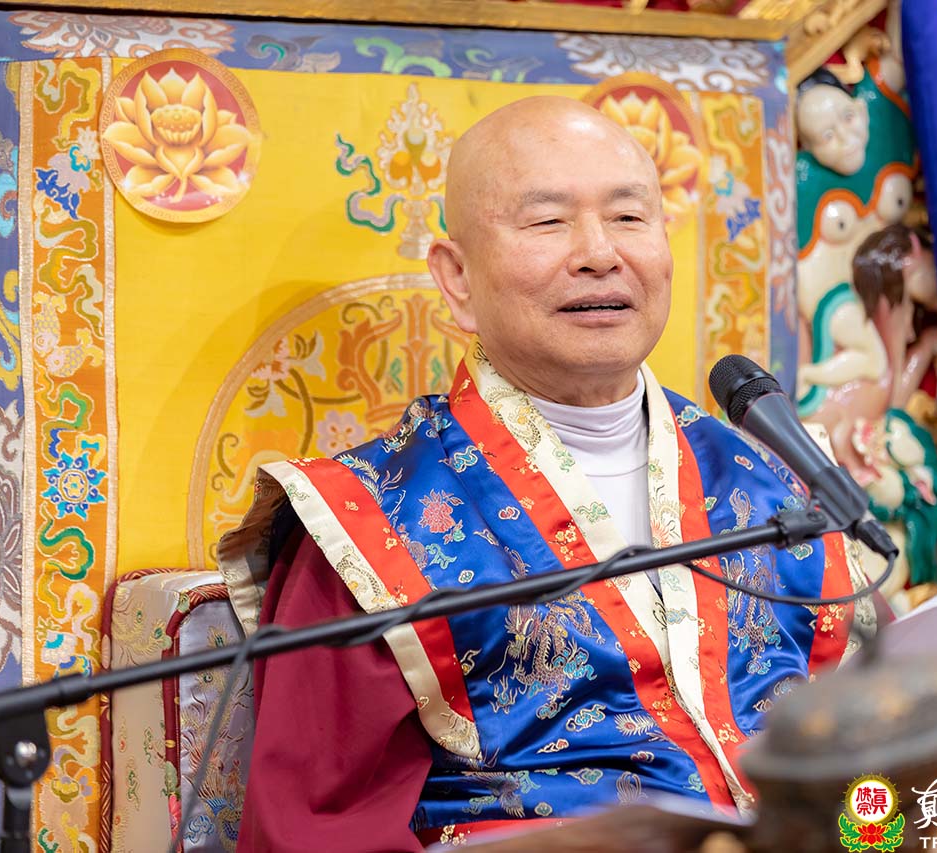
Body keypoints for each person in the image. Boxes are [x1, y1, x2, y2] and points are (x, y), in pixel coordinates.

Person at [218, 96, 870, 852]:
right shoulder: (366, 525)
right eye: (548, 221)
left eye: (628, 217)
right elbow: (317, 832)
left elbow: (871, 758)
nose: (600, 253)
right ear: (457, 278)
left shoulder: (772, 475)